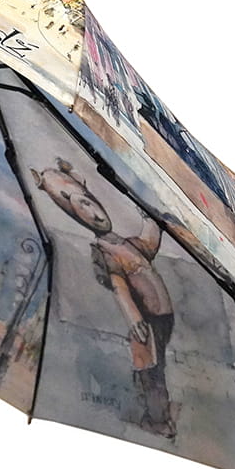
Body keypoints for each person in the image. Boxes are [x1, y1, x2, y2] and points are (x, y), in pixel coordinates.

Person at [32, 159, 176, 439]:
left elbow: (149, 243)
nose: (93, 214)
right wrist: (133, 318)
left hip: (162, 319)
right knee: (151, 371)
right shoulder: (104, 251)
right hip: (145, 322)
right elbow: (119, 286)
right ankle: (158, 420)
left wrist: (149, 219)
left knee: (156, 367)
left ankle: (156, 412)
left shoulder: (125, 243)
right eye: (81, 209)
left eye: (89, 203)